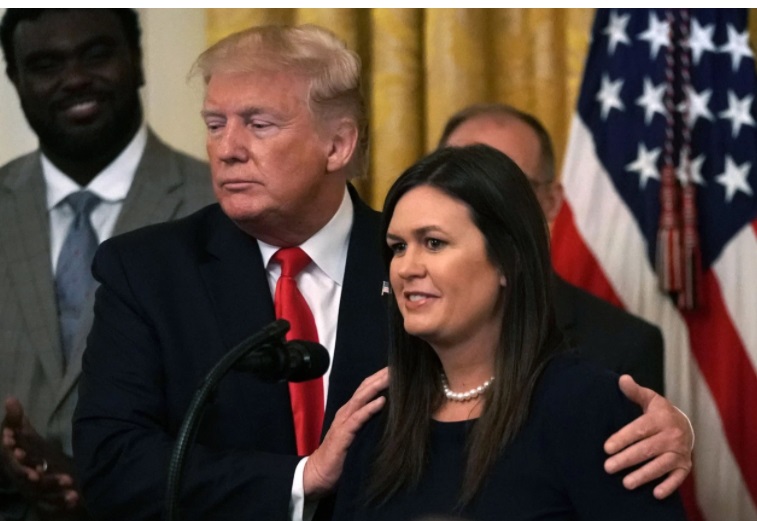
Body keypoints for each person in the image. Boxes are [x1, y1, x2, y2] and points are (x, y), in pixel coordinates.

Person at [73, 24, 690, 521]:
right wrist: (300, 478)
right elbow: (109, 464)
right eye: (215, 124)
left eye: (258, 123)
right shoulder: (146, 271)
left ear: (338, 144)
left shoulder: (417, 259)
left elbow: (560, 336)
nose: (227, 147)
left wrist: (662, 425)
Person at [333, 144, 687, 521]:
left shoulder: (587, 407)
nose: (406, 267)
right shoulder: (378, 417)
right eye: (398, 247)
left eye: (433, 243)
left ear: (507, 260)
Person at [0, 9, 214, 521]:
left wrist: (106, 478)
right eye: (47, 63)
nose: (75, 79)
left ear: (137, 61)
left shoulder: (222, 206)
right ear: (16, 80)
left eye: (96, 55)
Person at [438, 103, 666, 395]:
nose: (482, 206)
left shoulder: (623, 346)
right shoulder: (396, 322)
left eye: (510, 187)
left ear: (551, 201)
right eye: (460, 185)